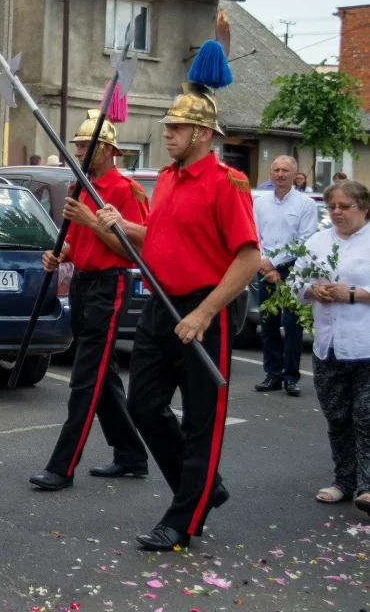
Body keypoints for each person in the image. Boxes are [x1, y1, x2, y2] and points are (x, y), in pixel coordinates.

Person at [97, 41, 260, 551]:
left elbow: (248, 258)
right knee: (144, 406)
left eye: (175, 128)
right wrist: (120, 224)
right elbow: (161, 239)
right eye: (166, 127)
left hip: (207, 306)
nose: (165, 135)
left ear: (203, 134)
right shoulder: (166, 179)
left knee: (202, 419)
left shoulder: (227, 182)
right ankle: (202, 488)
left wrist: (207, 313)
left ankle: (184, 519)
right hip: (161, 302)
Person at [28, 111, 149, 492]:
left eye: (87, 145)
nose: (79, 151)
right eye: (78, 145)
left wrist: (91, 219)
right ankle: (131, 453)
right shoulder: (82, 186)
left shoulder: (125, 190)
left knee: (85, 379)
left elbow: (133, 249)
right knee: (104, 376)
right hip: (82, 283)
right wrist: (60, 253)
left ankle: (62, 466)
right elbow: (79, 241)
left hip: (108, 286)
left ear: (108, 150)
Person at [291, 180, 370, 510]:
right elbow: (295, 281)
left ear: (364, 208)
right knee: (337, 418)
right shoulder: (318, 241)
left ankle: (368, 485)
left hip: (365, 346)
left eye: (344, 206)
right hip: (328, 345)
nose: (336, 212)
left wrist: (352, 294)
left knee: (366, 417)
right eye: (332, 207)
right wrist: (313, 291)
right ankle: (344, 480)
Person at [253, 155, 319, 396]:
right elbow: (255, 235)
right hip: (264, 267)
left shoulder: (305, 204)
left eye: (285, 170)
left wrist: (274, 262)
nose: (280, 174)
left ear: (294, 175)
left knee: (292, 324)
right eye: (276, 170)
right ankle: (272, 374)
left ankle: (291, 376)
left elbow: (305, 241)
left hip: (294, 269)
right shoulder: (260, 203)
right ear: (271, 173)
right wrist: (264, 264)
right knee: (268, 322)